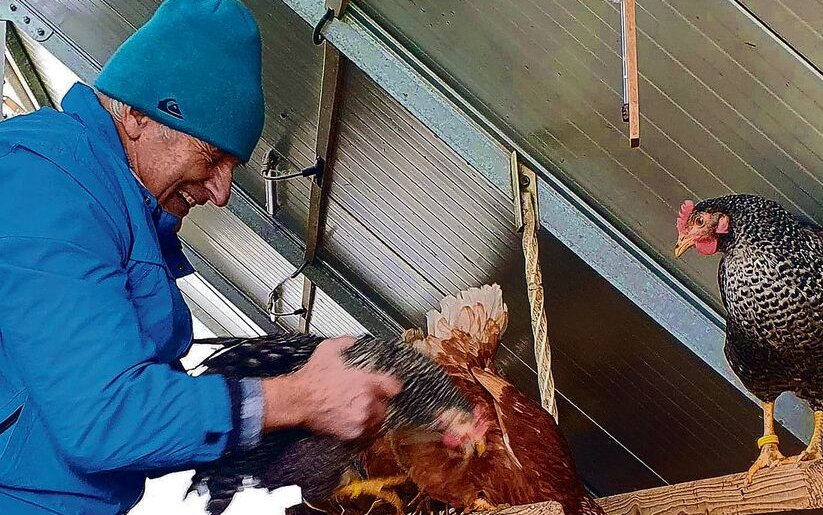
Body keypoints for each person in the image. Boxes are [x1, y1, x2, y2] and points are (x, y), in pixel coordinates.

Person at [0, 0, 401, 513]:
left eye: (232, 167)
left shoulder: (122, 217)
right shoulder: (48, 185)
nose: (222, 192)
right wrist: (297, 398)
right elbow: (106, 418)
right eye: (213, 158)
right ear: (138, 114)